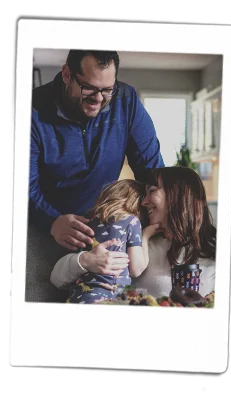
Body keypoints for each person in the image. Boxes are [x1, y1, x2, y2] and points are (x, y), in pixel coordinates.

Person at [30, 49, 164, 251]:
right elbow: (20, 185)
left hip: (104, 227)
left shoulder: (126, 100)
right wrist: (52, 221)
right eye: (89, 88)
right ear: (67, 74)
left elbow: (152, 172)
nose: (99, 99)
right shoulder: (29, 109)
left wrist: (165, 210)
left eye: (108, 90)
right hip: (46, 226)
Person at [50, 167, 216, 299]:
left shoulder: (215, 251)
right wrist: (85, 260)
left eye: (152, 191)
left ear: (177, 195)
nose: (144, 202)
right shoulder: (136, 241)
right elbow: (57, 279)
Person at [55, 179, 158, 304]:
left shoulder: (87, 219)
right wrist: (146, 235)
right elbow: (136, 269)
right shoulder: (132, 221)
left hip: (77, 295)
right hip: (108, 297)